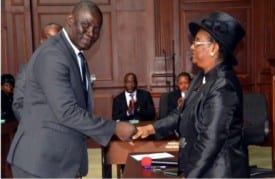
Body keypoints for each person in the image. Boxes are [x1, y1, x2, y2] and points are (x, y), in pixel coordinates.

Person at [7, 1, 136, 178]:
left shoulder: (75, 55)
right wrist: (114, 127)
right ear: (70, 20)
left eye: (96, 29)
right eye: (86, 25)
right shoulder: (54, 54)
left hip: (59, 163)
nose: (91, 33)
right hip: (40, 164)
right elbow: (67, 111)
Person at [132, 12, 249, 178]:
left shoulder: (224, 86)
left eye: (197, 42)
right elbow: (181, 113)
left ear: (214, 48)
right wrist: (150, 128)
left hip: (218, 172)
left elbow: (210, 142)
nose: (192, 47)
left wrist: (189, 175)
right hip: (199, 167)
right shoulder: (201, 77)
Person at [12, 23, 62, 121]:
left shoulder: (70, 68)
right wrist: (33, 126)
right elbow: (18, 104)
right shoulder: (27, 70)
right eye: (51, 38)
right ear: (42, 41)